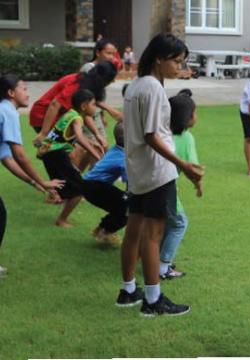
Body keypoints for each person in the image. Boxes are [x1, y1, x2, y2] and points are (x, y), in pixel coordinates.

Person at [117, 33, 203, 316]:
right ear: (159, 59)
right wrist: (185, 165)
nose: (179, 67)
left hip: (138, 171)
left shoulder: (135, 86)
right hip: (156, 173)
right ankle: (152, 300)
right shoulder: (152, 88)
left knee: (134, 231)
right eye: (176, 61)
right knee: (152, 236)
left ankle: (128, 290)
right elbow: (153, 136)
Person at [0, 75, 64, 276]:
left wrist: (35, 182)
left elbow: (7, 158)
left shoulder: (3, 110)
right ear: (11, 93)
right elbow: (19, 155)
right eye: (24, 89)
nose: (28, 93)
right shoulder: (7, 111)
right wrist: (42, 181)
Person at [37, 89, 104, 228]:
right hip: (56, 155)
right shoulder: (77, 118)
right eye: (93, 104)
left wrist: (92, 143)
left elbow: (70, 136)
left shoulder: (70, 114)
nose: (95, 107)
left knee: (65, 180)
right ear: (84, 106)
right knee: (78, 190)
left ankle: (54, 196)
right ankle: (61, 220)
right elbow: (79, 137)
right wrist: (96, 154)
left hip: (50, 154)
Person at [159, 88, 203, 280]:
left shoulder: (160, 132)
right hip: (164, 186)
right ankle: (163, 267)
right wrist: (198, 184)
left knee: (161, 223)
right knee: (179, 223)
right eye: (195, 113)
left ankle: (154, 259)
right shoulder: (186, 137)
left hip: (145, 182)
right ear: (187, 117)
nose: (196, 116)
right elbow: (192, 169)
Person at [30, 61, 118, 150]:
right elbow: (55, 104)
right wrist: (44, 133)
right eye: (111, 80)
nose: (113, 82)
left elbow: (85, 113)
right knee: (68, 152)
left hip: (59, 117)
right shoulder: (77, 84)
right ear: (102, 80)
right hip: (43, 115)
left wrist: (97, 134)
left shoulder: (89, 86)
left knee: (84, 147)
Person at [76, 39, 123, 171]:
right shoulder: (88, 68)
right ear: (97, 52)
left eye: (114, 54)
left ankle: (75, 181)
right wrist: (110, 110)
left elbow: (96, 96)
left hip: (94, 115)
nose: (112, 57)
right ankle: (92, 184)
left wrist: (101, 114)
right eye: (109, 53)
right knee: (98, 149)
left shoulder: (104, 70)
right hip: (87, 116)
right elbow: (84, 97)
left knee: (93, 151)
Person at [82, 122, 128, 246]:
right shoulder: (124, 159)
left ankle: (101, 229)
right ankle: (106, 232)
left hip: (90, 185)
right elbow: (131, 184)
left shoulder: (117, 149)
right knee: (129, 208)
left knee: (122, 204)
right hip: (94, 187)